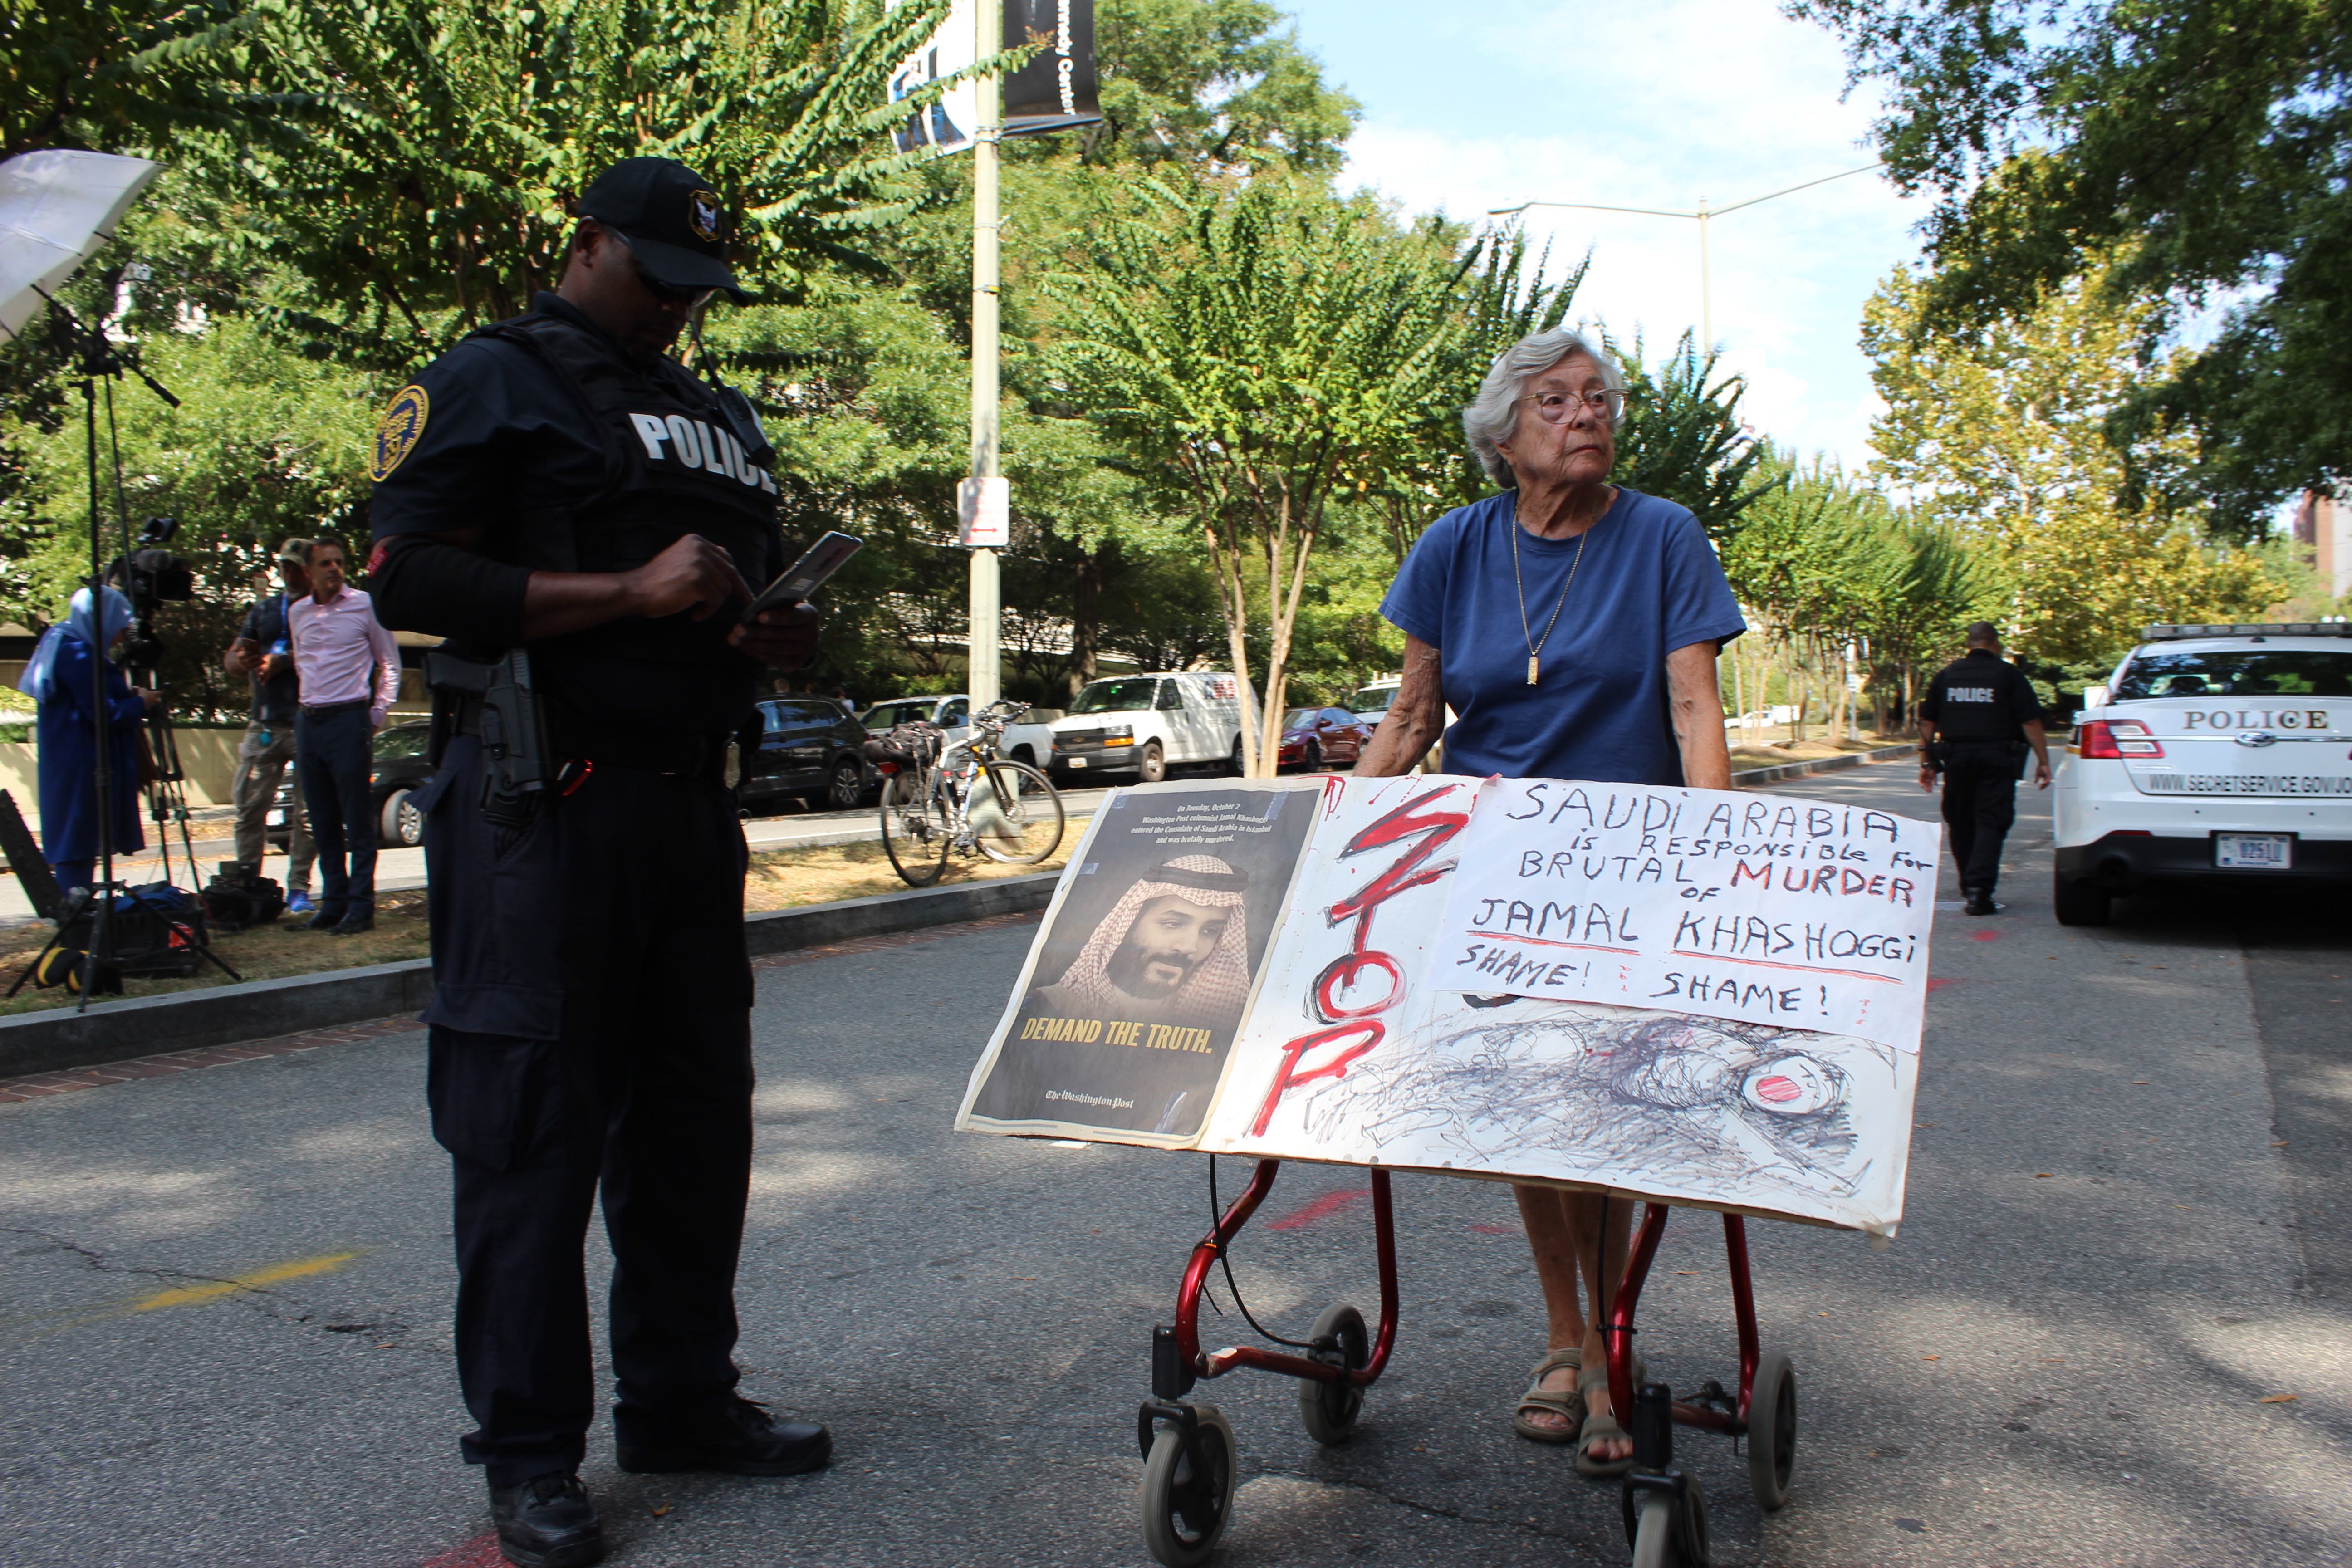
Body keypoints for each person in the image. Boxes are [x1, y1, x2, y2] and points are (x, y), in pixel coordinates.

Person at [365, 155, 822, 1568]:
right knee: (529, 1133)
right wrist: (627, 591)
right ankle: (529, 1458)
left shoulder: (714, 416)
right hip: (541, 802)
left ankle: (680, 1403)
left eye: (696, 290)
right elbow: (406, 577)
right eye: (656, 279)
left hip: (686, 805)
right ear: (586, 246)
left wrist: (766, 630)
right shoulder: (494, 378)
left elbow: (718, 597)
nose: (676, 309)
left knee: (694, 1126)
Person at [1354, 326, 1746, 1476]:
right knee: (1529, 1096)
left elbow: (1693, 706)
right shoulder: (1455, 545)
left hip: (1626, 868)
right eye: (1558, 401)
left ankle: (1607, 1349)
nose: (1588, 415)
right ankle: (1565, 1335)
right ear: (1504, 435)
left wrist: (1724, 856)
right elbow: (1413, 715)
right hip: (1489, 870)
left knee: (1601, 1103)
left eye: (1599, 398)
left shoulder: (1662, 535)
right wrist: (1335, 843)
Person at [287, 539, 401, 935]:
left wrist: (376, 713)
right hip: (309, 721)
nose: (334, 568)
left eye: (338, 562)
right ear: (309, 572)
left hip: (349, 719)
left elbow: (390, 664)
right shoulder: (298, 612)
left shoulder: (365, 605)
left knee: (357, 818)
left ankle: (361, 907)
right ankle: (333, 904)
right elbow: (303, 664)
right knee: (321, 819)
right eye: (325, 563)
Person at [23, 585, 159, 890]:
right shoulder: (78, 654)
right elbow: (103, 713)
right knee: (78, 839)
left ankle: (76, 904)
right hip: (83, 763)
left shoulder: (61, 642)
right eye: (119, 629)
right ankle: (76, 907)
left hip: (70, 760)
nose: (120, 639)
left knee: (78, 836)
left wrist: (129, 695)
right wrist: (141, 703)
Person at [1916, 621, 2051, 916]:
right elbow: (2031, 721)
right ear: (1995, 643)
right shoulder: (2009, 675)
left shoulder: (1947, 676)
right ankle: (1979, 890)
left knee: (1961, 821)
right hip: (1997, 760)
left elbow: (1927, 722)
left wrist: (1927, 764)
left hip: (1957, 760)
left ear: (1970, 643)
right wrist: (2044, 761)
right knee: (1991, 821)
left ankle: (1970, 885)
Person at [221, 539, 319, 911]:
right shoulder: (263, 611)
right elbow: (233, 658)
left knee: (307, 815)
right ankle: (247, 886)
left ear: (309, 571)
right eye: (285, 567)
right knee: (249, 808)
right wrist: (240, 660)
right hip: (264, 725)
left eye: (296, 567)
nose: (289, 573)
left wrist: (284, 661)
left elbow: (330, 655)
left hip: (308, 724)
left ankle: (299, 890)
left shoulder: (324, 610)